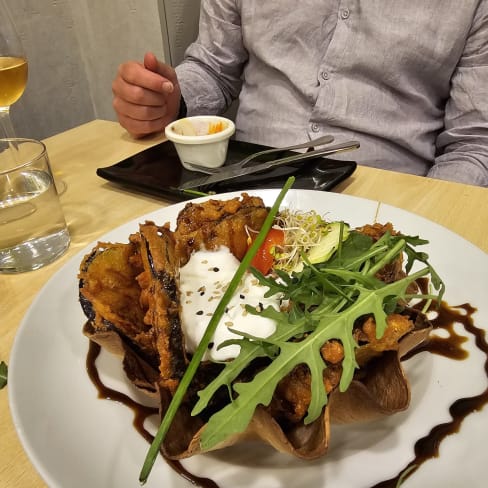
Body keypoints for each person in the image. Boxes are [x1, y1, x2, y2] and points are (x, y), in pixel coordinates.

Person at [112, 1, 488, 187]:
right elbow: (213, 67)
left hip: (382, 202)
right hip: (243, 187)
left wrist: (421, 222)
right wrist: (170, 99)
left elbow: (475, 144)